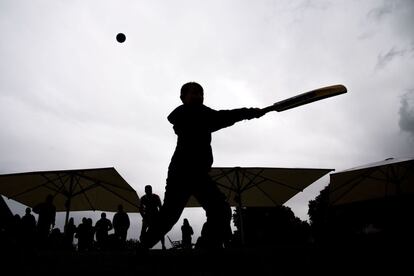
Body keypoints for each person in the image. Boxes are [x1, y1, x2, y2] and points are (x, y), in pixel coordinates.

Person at [140, 82, 265, 249]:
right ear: (183, 98)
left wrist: (251, 113)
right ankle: (143, 246)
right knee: (170, 216)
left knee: (219, 210)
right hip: (182, 172)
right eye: (194, 93)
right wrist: (250, 113)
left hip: (198, 173)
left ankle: (206, 245)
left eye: (201, 93)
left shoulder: (202, 114)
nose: (199, 96)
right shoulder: (188, 114)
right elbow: (225, 116)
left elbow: (226, 116)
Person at [139, 185, 166, 250]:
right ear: (145, 191)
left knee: (160, 231)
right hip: (147, 217)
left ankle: (163, 245)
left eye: (149, 190)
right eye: (147, 190)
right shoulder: (143, 198)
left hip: (155, 217)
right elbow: (140, 209)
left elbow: (160, 207)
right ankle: (143, 245)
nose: (148, 191)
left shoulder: (155, 197)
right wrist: (144, 216)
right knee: (143, 232)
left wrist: (159, 217)